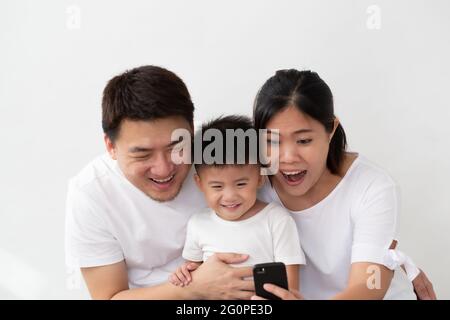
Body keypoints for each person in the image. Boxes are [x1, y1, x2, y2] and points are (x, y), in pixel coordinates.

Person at [65, 66, 256, 299]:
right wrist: (194, 287)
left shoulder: (220, 151)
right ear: (111, 147)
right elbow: (109, 297)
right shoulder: (91, 193)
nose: (164, 169)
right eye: (143, 154)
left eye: (176, 147)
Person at [250, 69, 436, 300]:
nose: (287, 157)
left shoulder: (373, 186)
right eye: (271, 141)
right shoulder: (249, 182)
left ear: (331, 129)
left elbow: (368, 286)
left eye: (304, 140)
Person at [168, 115, 305, 291]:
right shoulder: (198, 224)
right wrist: (183, 273)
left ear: (260, 178)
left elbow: (291, 287)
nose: (230, 196)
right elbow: (192, 274)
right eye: (217, 186)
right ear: (200, 183)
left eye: (241, 184)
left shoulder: (277, 220)